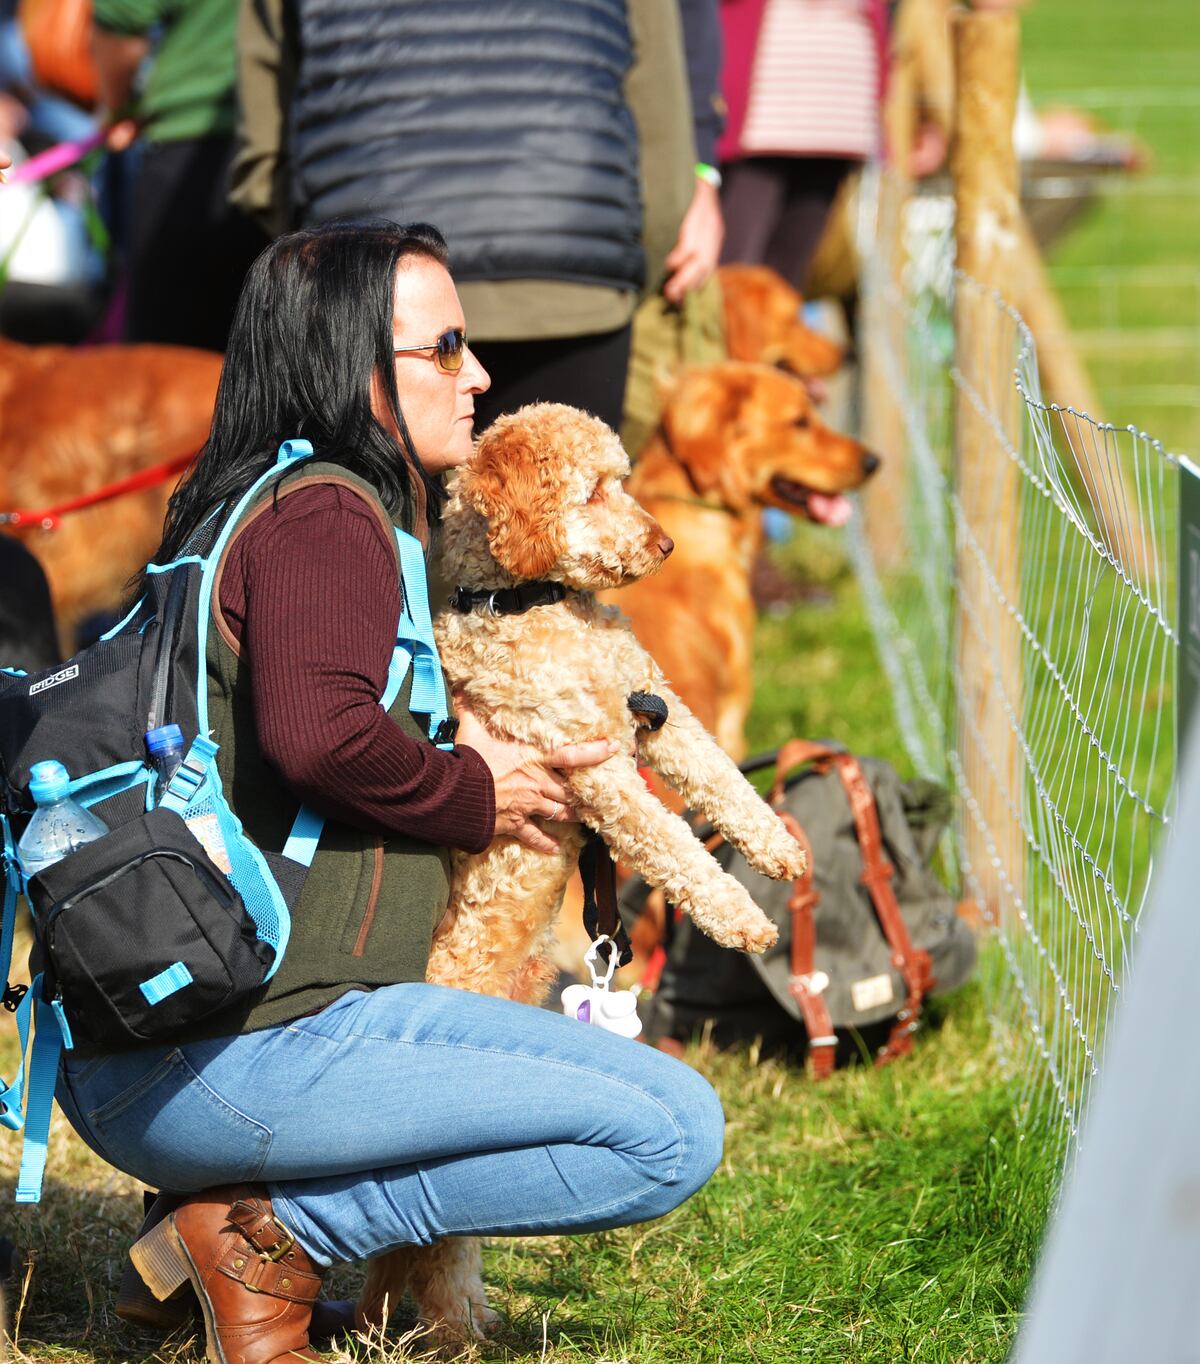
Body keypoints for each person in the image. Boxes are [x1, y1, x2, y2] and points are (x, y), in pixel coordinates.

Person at [52, 220, 725, 1361]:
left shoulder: (246, 501)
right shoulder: (328, 513)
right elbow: (320, 737)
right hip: (249, 1048)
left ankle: (207, 1224)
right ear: (357, 368)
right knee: (670, 1129)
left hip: (157, 1052)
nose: (480, 374)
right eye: (446, 347)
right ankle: (273, 1235)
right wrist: (476, 790)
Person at [232, 0, 704, 433]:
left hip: (370, 292)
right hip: (572, 282)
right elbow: (663, 136)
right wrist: (620, 273)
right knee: (556, 516)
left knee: (372, 519)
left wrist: (325, 273)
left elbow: (264, 147)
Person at [90, 0, 268, 349]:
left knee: (157, 360)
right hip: (293, 159)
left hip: (184, 146)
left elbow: (119, 18)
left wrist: (119, 108)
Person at [718, 0, 888, 290]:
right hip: (762, 116)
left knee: (788, 276)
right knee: (734, 270)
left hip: (839, 118)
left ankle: (773, 336)